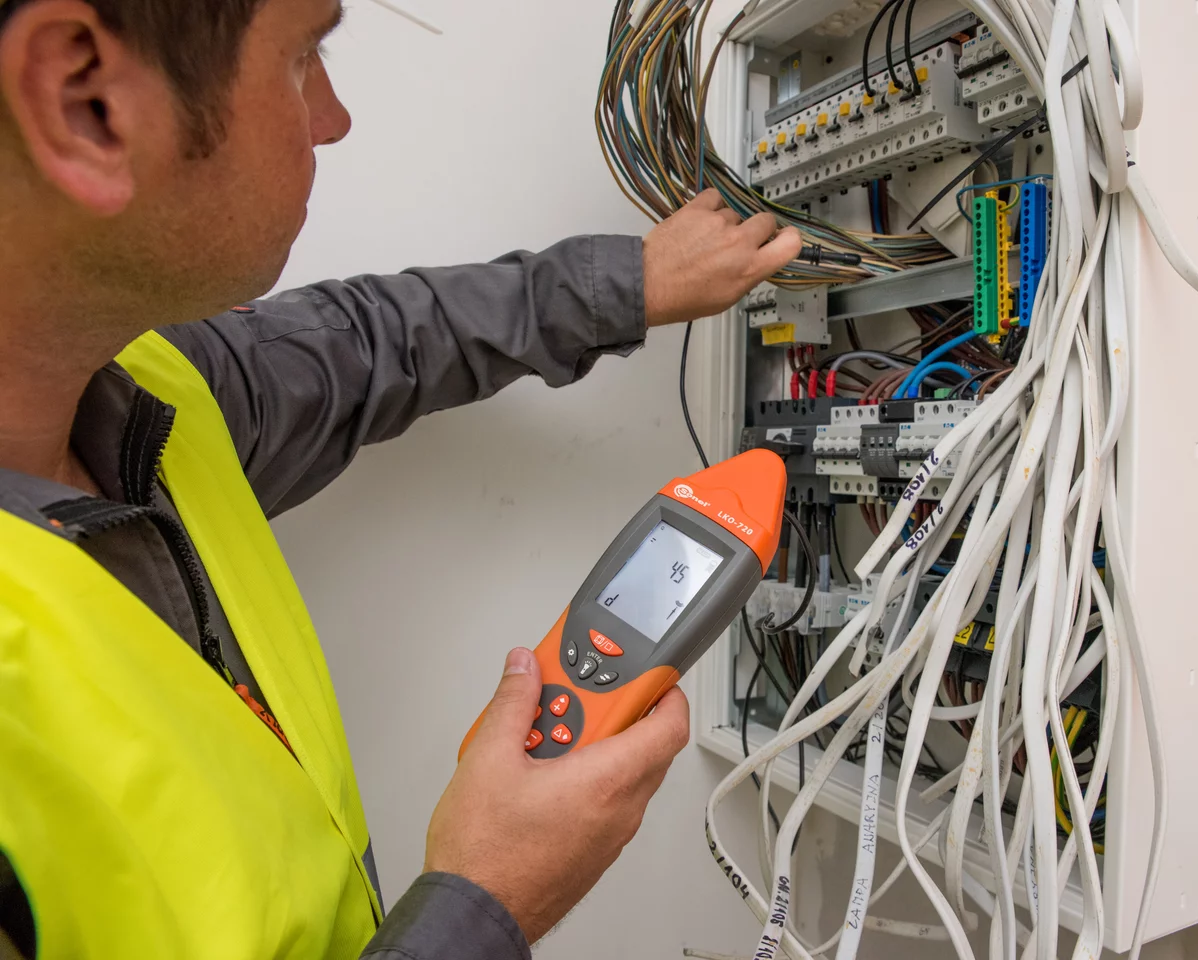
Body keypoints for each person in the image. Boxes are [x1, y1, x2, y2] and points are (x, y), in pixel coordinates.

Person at [0, 0, 802, 957]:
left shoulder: (153, 388)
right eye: (304, 56)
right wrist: (483, 903)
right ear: (82, 98)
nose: (333, 117)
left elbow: (373, 340)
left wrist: (629, 282)